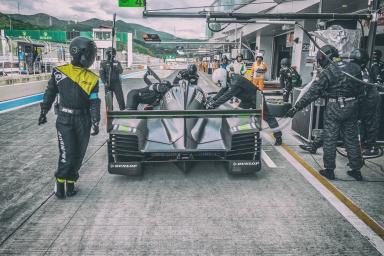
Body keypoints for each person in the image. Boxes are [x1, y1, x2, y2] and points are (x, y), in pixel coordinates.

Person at [286, 45, 364, 181]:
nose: (320, 61)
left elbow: (312, 93)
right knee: (351, 139)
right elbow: (361, 92)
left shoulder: (328, 71)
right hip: (352, 106)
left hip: (334, 107)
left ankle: (329, 170)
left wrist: (296, 108)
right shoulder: (355, 68)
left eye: (320, 58)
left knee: (330, 138)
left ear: (326, 56)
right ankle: (356, 170)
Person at [38, 36, 100, 198]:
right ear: (79, 53)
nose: (91, 58)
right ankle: (59, 181)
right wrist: (44, 110)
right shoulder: (60, 72)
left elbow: (94, 101)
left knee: (79, 154)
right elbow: (50, 92)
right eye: (91, 54)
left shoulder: (93, 78)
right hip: (65, 120)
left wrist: (95, 119)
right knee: (68, 153)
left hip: (84, 120)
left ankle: (71, 183)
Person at [206, 73, 283, 146]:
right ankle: (241, 135)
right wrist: (213, 99)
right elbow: (223, 90)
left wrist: (213, 105)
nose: (219, 84)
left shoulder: (236, 83)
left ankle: (278, 137)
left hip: (256, 98)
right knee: (239, 115)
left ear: (222, 78)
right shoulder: (230, 79)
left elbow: (227, 96)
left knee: (267, 117)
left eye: (219, 82)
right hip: (247, 99)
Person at [350, 48, 382, 156]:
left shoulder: (365, 71)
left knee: (371, 123)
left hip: (371, 99)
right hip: (366, 98)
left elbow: (363, 88)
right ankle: (362, 145)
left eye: (355, 61)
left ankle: (373, 147)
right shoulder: (360, 69)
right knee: (362, 122)